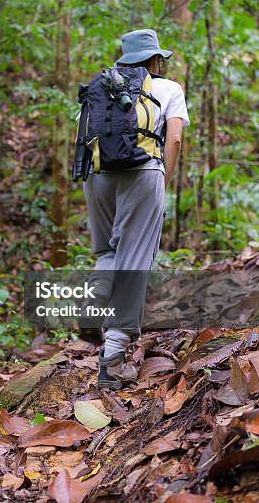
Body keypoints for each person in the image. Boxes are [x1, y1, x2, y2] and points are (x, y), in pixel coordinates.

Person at [82, 28, 190, 390]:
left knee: (108, 251)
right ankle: (112, 361)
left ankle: (92, 302)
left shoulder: (104, 86)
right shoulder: (168, 88)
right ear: (156, 59)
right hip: (143, 173)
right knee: (135, 258)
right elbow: (173, 138)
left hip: (97, 174)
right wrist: (163, 178)